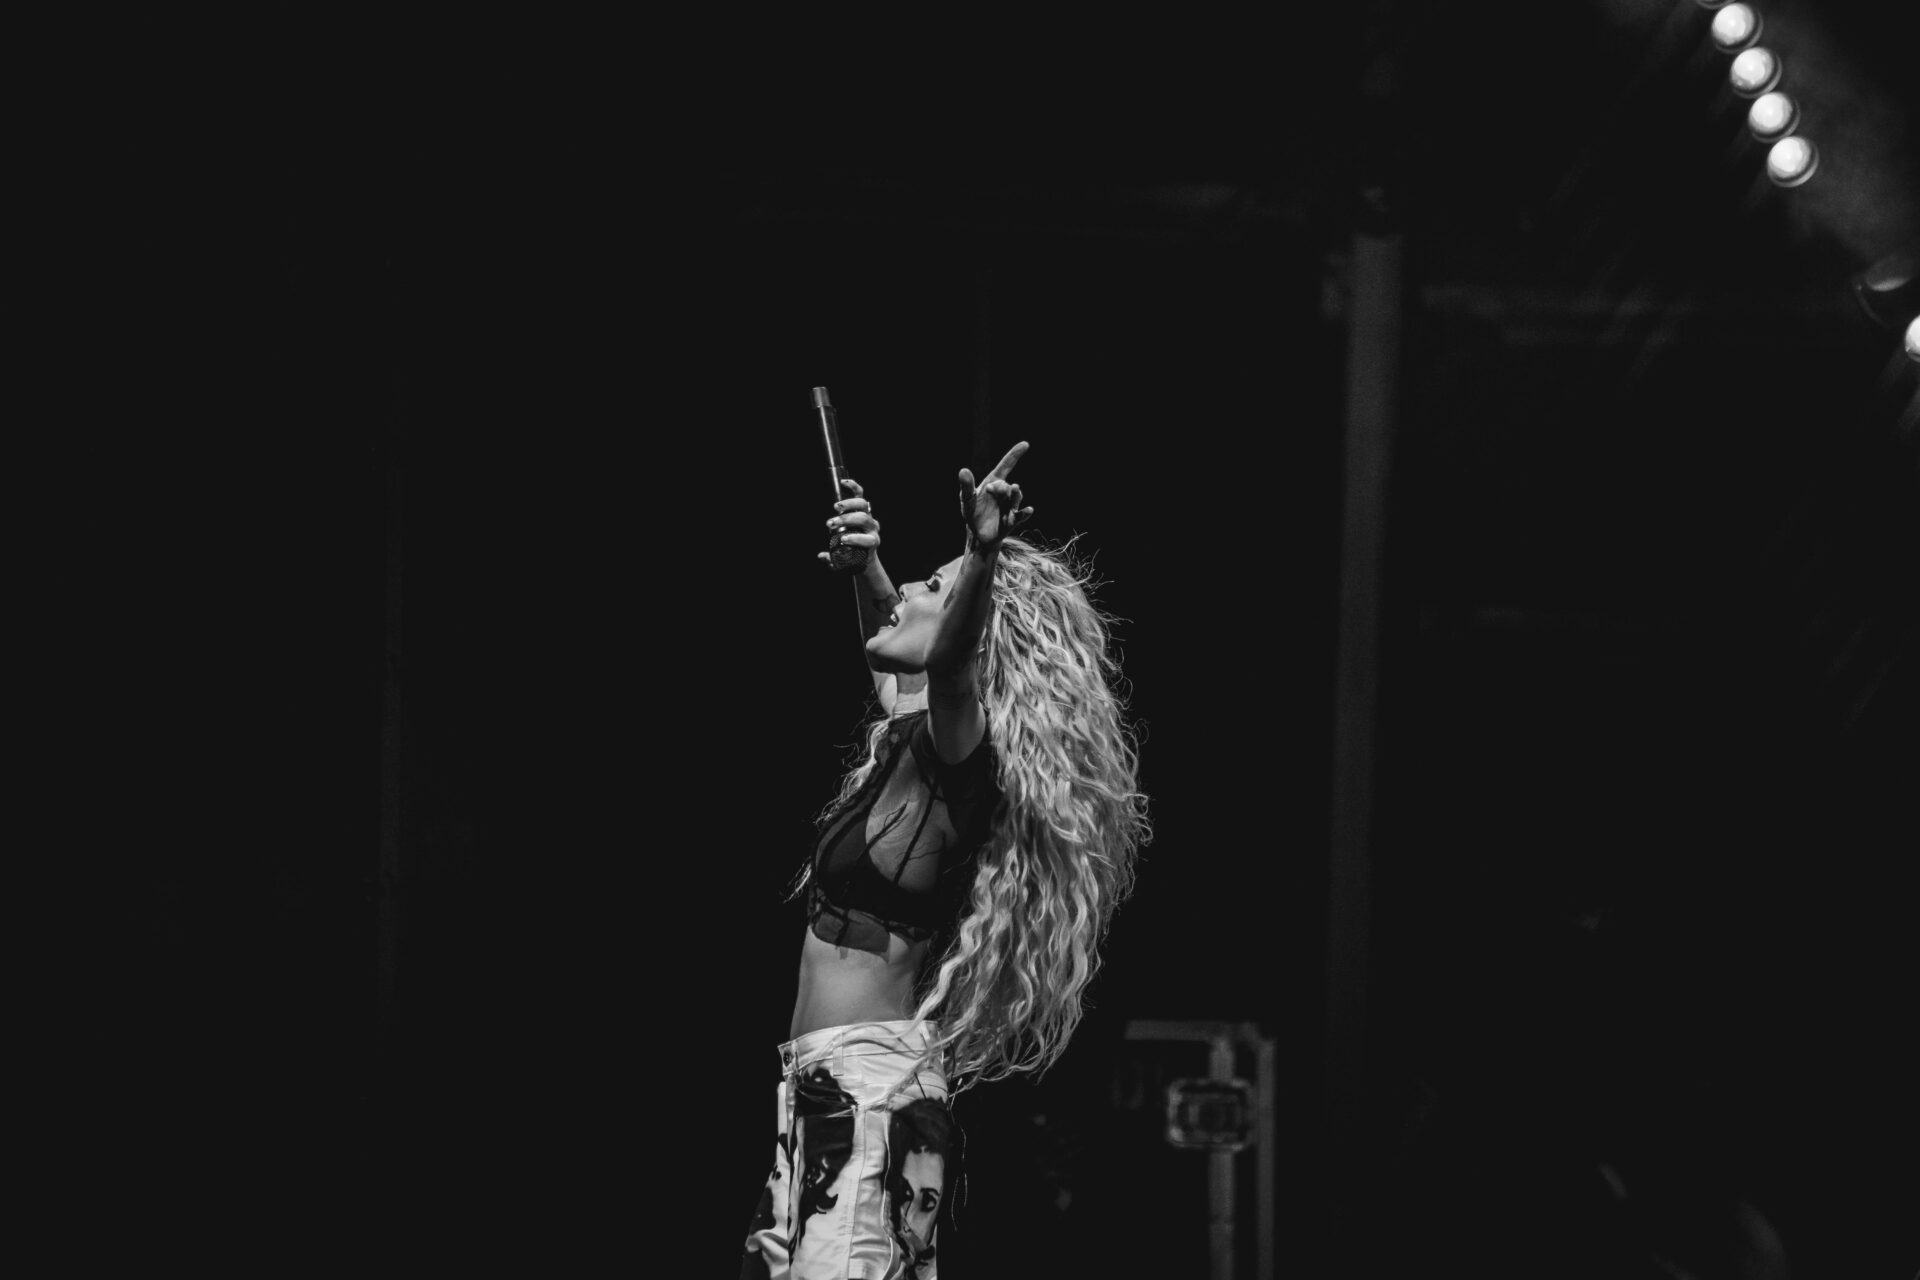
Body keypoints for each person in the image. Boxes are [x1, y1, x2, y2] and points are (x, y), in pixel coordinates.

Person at [740, 443, 1149, 1279]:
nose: (907, 594)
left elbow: (948, 665)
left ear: (970, 629)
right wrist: (867, 566)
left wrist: (983, 554)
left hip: (868, 1092)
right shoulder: (913, 738)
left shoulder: (960, 757)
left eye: (932, 586)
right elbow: (896, 654)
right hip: (830, 1089)